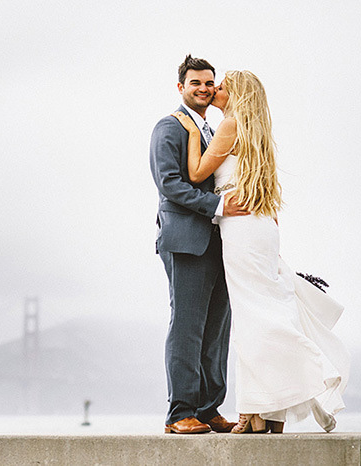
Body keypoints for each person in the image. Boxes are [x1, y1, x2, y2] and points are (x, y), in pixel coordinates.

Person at [171, 69, 350, 433]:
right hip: (263, 225)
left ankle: (304, 377)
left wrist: (191, 132)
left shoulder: (229, 125)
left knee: (254, 318)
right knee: (265, 309)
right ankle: (266, 413)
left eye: (221, 87)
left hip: (241, 229)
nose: (214, 91)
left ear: (236, 94)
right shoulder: (258, 134)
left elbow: (194, 173)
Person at [149, 55, 249, 434]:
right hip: (186, 240)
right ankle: (180, 413)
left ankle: (209, 409)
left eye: (210, 83)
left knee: (217, 329)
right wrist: (219, 204)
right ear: (181, 87)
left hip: (220, 242)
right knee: (187, 327)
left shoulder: (211, 130)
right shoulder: (169, 127)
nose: (205, 89)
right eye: (196, 83)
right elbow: (170, 185)